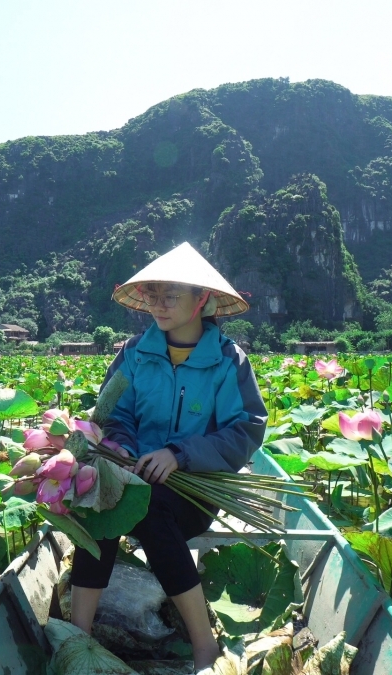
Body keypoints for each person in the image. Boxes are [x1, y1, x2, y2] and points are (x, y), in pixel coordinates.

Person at [68, 242, 267, 671]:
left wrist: (180, 453)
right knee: (98, 502)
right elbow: (113, 416)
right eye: (154, 295)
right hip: (131, 472)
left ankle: (203, 646)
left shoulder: (229, 363)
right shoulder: (133, 353)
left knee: (152, 510)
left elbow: (246, 429)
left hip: (194, 490)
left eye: (171, 296)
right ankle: (76, 637)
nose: (158, 305)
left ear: (202, 301)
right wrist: (118, 451)